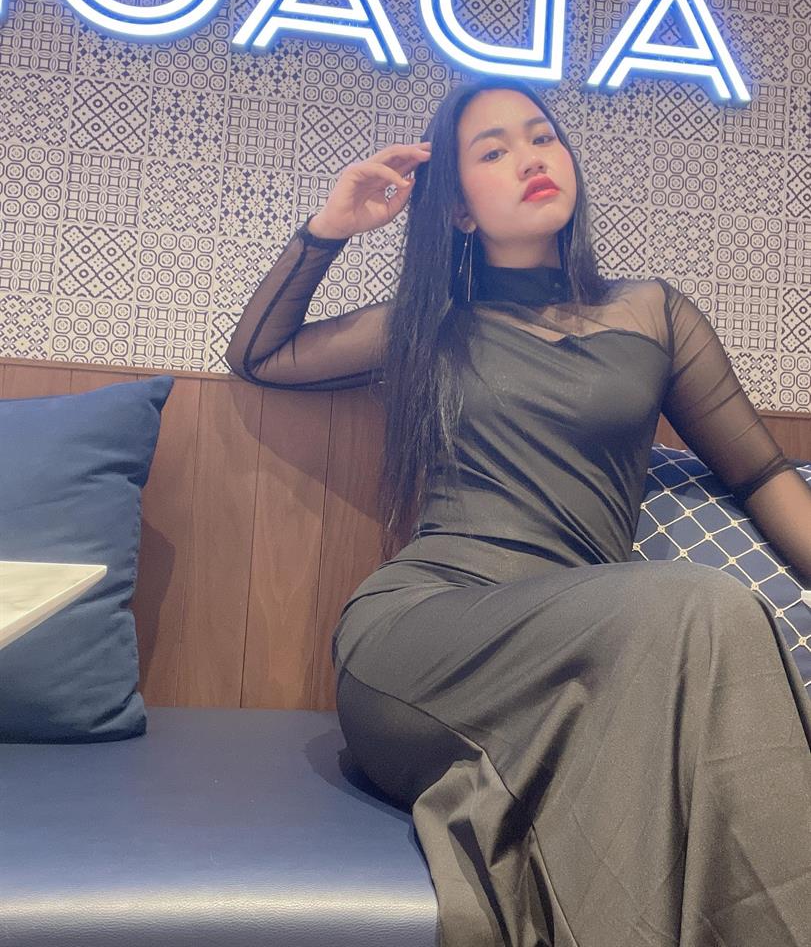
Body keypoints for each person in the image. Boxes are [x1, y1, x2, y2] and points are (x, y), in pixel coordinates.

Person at [225, 75, 811, 947]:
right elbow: (261, 356)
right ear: (460, 210)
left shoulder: (653, 314)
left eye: (541, 136)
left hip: (586, 654)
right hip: (426, 634)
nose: (530, 158)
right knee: (703, 605)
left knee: (672, 708)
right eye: (492, 151)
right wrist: (330, 228)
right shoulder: (428, 324)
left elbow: (761, 473)